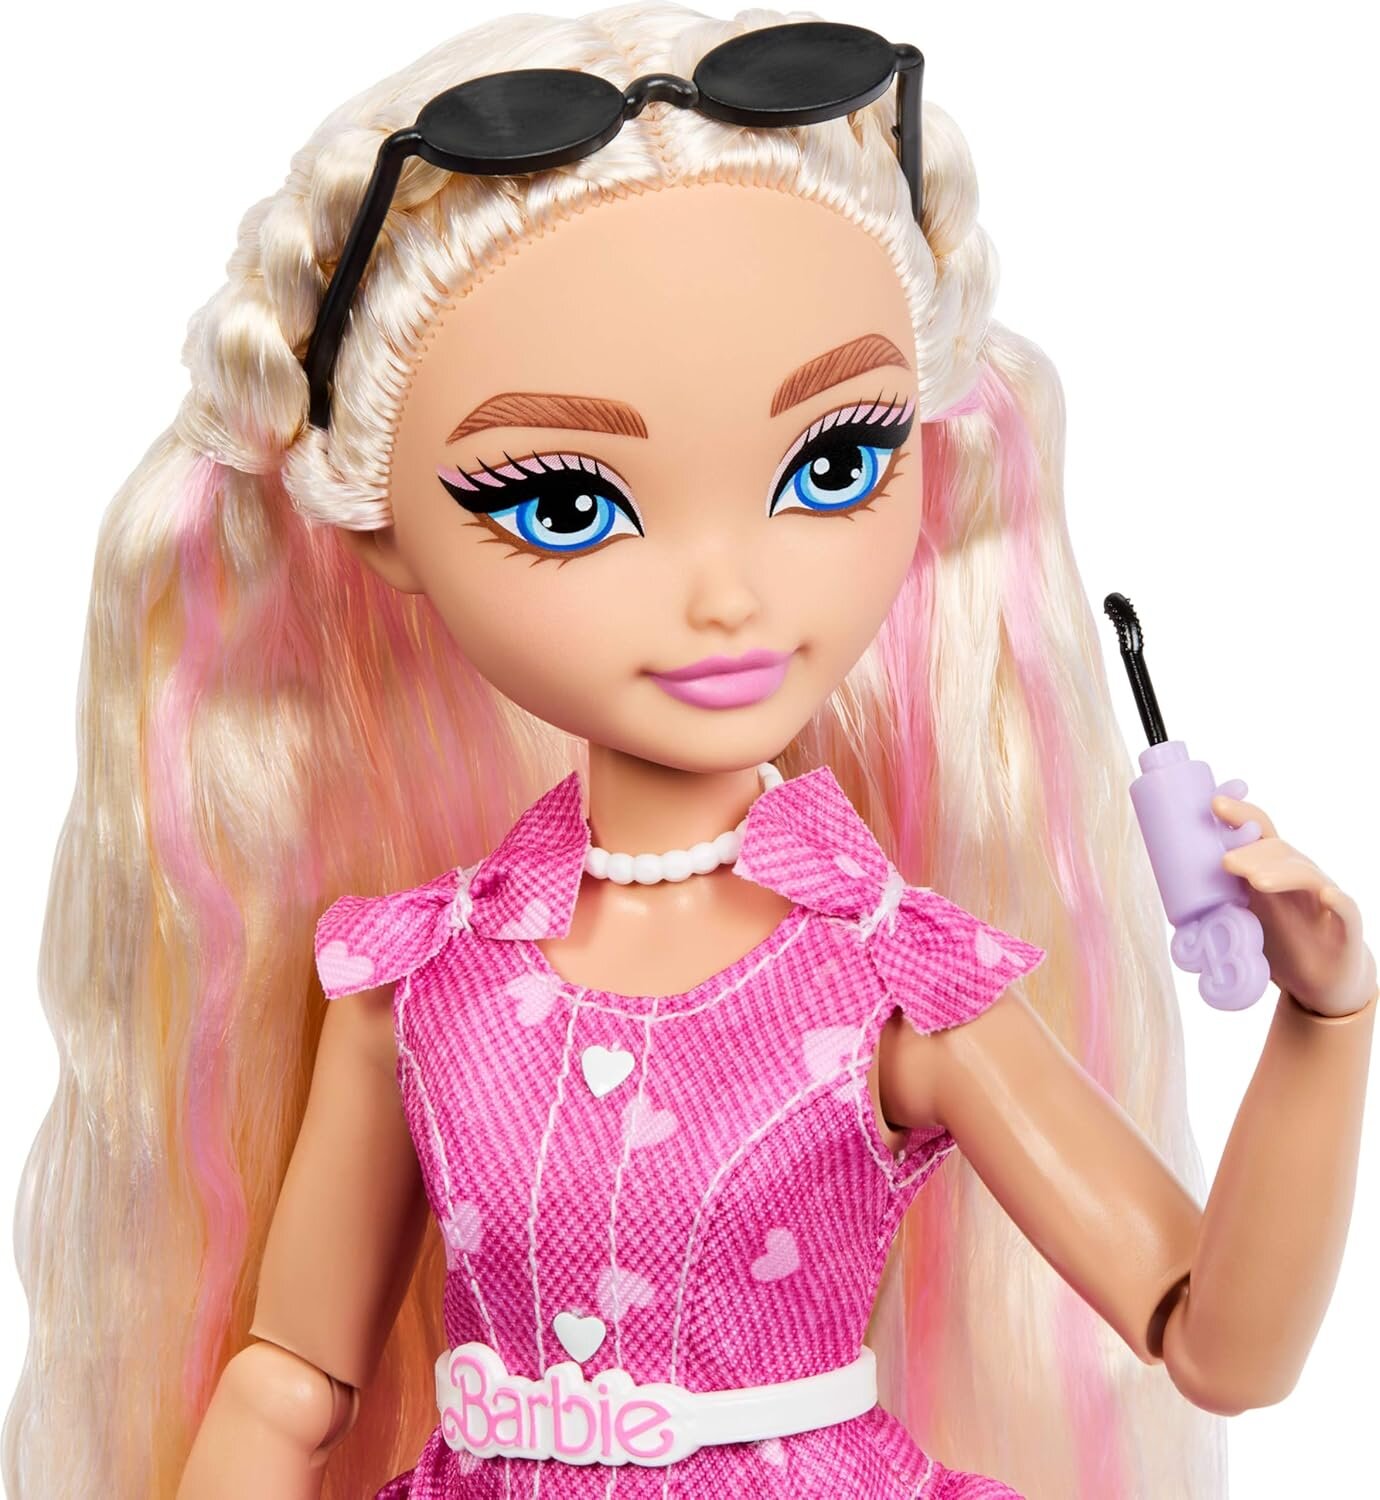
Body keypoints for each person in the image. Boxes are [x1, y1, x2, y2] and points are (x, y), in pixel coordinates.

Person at [5, 5, 1373, 1498]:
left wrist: (1329, 1021)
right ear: (382, 527)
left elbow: (1213, 1341)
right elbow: (291, 1381)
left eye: (834, 463)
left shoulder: (898, 985)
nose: (728, 596)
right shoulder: (417, 986)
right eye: (565, 504)